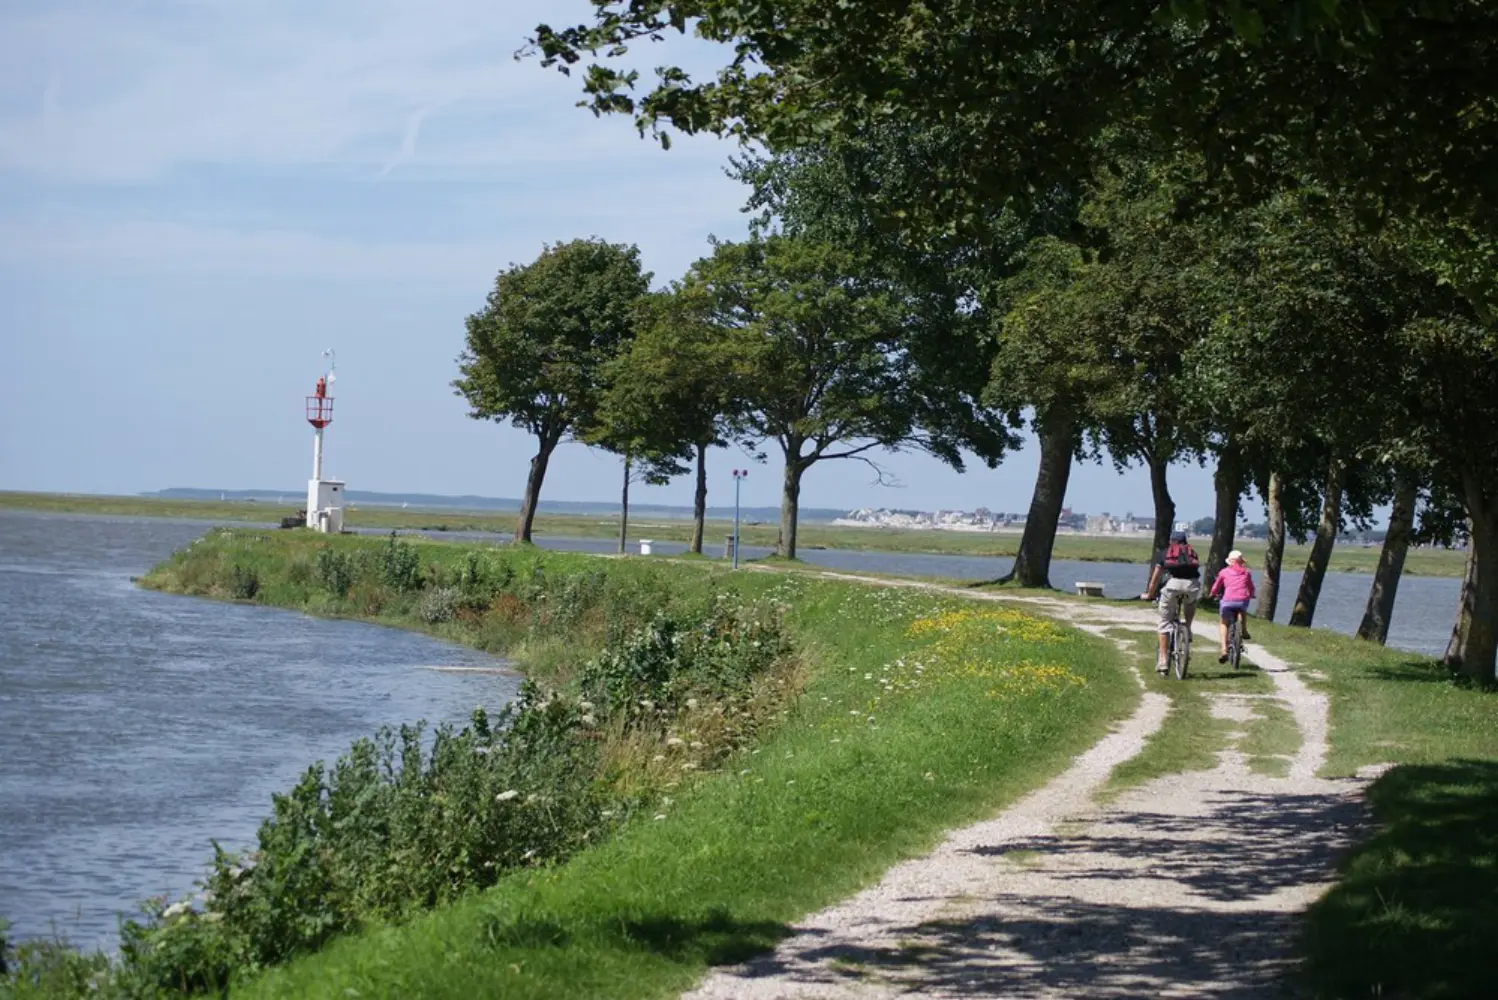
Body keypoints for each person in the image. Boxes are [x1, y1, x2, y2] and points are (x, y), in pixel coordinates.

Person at [1141, 530, 1202, 674]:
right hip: (1192, 585)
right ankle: (1187, 627)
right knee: (1190, 602)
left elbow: (1156, 578)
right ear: (1185, 541)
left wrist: (1149, 594)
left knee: (1164, 623)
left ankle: (1163, 661)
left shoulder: (1165, 553)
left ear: (1171, 541)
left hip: (1173, 586)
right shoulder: (1192, 552)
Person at [1210, 549, 1256, 662]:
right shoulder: (1246, 573)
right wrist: (1252, 595)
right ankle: (1244, 630)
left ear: (1229, 562)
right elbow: (1251, 587)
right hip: (1242, 601)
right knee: (1243, 609)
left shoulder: (1224, 572)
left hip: (1227, 601)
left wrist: (1212, 594)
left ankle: (1224, 649)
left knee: (1223, 623)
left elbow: (1216, 586)